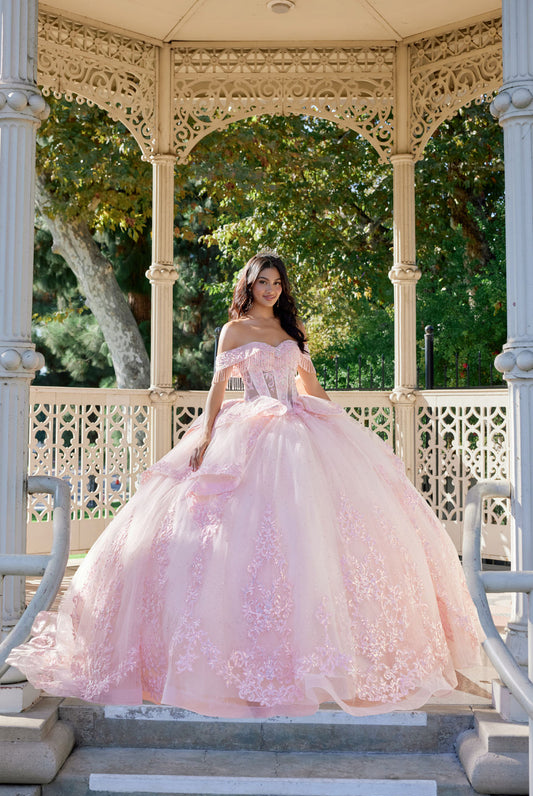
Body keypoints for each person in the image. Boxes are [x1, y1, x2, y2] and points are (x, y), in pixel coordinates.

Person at [7, 251, 482, 718]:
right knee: (229, 537)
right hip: (249, 430)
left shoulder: (290, 332)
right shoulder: (234, 330)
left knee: (310, 536)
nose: (271, 290)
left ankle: (311, 656)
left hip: (297, 429)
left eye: (277, 282)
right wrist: (206, 436)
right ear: (250, 286)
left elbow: (310, 388)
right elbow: (218, 388)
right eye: (263, 283)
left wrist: (337, 419)